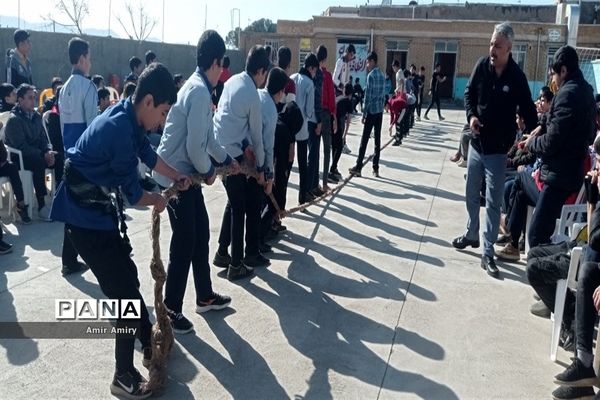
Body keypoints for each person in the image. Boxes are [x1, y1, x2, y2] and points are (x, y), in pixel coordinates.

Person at [50, 63, 189, 399]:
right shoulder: (118, 128)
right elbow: (134, 193)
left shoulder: (130, 117)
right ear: (149, 101)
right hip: (85, 222)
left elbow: (150, 157)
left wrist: (176, 176)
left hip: (98, 216)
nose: (163, 120)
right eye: (164, 112)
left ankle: (146, 338)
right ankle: (122, 376)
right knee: (124, 295)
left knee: (126, 279)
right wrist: (157, 198)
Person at [154, 31, 237, 334]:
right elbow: (194, 149)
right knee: (185, 241)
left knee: (200, 232)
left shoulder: (198, 87)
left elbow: (208, 139)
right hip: (176, 178)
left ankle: (204, 295)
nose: (222, 72)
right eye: (222, 66)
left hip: (187, 175)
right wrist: (211, 171)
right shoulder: (200, 92)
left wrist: (226, 160)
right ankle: (171, 308)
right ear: (215, 62)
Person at [453, 22, 538, 278]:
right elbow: (469, 93)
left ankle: (487, 252)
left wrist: (534, 132)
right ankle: (471, 234)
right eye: (491, 44)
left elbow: (529, 112)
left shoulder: (517, 77)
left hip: (499, 151)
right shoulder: (482, 66)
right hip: (477, 145)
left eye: (497, 45)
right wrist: (471, 117)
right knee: (470, 193)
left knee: (492, 201)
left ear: (509, 48)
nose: (492, 49)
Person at [523, 45, 597, 248]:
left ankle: (545, 271)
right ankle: (513, 239)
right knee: (519, 187)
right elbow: (589, 134)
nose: (553, 80)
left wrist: (532, 143)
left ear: (563, 71)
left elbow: (551, 143)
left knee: (537, 238)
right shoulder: (586, 91)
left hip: (559, 178)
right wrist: (541, 126)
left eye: (554, 74)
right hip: (573, 173)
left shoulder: (566, 95)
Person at [213, 45, 269, 280]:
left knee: (233, 201)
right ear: (260, 71)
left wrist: (244, 144)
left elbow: (231, 118)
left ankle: (221, 252)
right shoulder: (253, 95)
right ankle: (236, 265)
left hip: (217, 147)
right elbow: (258, 137)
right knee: (240, 207)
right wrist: (262, 168)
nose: (265, 78)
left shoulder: (233, 80)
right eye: (265, 73)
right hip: (229, 155)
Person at [58, 37, 99, 275]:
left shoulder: (64, 89)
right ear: (82, 58)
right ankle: (94, 256)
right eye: (89, 58)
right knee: (91, 207)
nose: (90, 63)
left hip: (68, 154)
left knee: (73, 207)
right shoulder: (88, 87)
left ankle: (69, 259)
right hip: (85, 157)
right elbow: (93, 128)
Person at [5, 84, 63, 221]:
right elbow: (21, 146)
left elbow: (42, 139)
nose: (34, 101)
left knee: (60, 157)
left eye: (34, 97)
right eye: (30, 98)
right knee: (38, 162)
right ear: (20, 100)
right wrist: (42, 154)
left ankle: (60, 198)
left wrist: (48, 151)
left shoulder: (36, 116)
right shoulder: (14, 120)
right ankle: (42, 206)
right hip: (19, 158)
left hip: (37, 153)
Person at [348, 51, 385, 178]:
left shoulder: (371, 76)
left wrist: (364, 114)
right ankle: (376, 168)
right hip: (379, 111)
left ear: (373, 61)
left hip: (371, 111)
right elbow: (383, 95)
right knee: (377, 140)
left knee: (364, 140)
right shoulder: (382, 75)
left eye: (368, 62)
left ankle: (358, 166)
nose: (367, 65)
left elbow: (368, 97)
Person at [291, 53, 318, 205]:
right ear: (310, 68)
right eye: (315, 70)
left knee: (285, 164)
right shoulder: (309, 83)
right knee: (302, 163)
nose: (315, 73)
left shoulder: (292, 78)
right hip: (302, 128)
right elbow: (309, 110)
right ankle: (303, 196)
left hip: (288, 127)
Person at [330, 83, 353, 179]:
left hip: (331, 122)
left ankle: (334, 168)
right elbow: (348, 121)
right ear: (351, 93)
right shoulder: (348, 102)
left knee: (335, 146)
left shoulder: (338, 98)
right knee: (339, 147)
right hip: (338, 124)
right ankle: (332, 169)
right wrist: (345, 135)